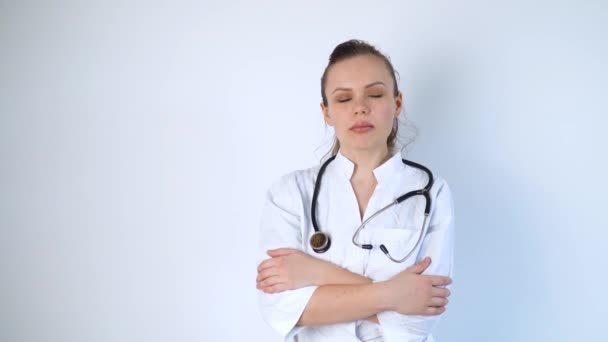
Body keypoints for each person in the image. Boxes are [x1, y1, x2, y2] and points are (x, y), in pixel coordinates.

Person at [256, 39, 455, 342]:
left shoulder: (432, 192)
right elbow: (280, 308)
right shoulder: (289, 194)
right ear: (327, 112)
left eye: (374, 94)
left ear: (397, 103)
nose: (360, 108)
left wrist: (315, 273)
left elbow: (416, 323)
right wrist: (394, 294)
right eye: (344, 99)